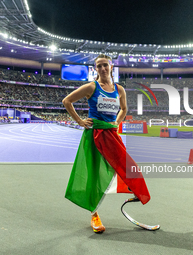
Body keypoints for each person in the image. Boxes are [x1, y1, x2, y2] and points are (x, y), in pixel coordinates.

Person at [63, 54, 150, 234]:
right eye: (99, 66)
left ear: (111, 67)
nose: (102, 69)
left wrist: (117, 122)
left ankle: (135, 189)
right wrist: (80, 121)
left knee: (127, 165)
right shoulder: (91, 87)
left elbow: (124, 109)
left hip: (112, 134)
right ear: (96, 69)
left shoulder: (119, 89)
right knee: (94, 175)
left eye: (105, 65)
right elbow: (67, 101)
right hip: (94, 135)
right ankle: (94, 215)